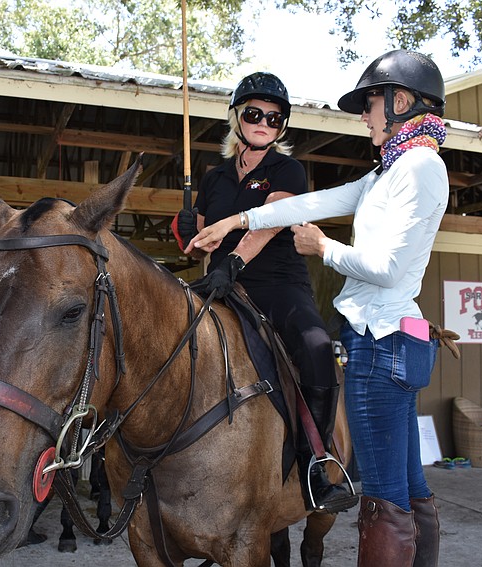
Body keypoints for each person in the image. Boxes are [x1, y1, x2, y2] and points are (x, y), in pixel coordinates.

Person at [186, 50, 448, 567]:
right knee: (410, 489)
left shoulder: (418, 167)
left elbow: (390, 268)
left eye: (370, 104)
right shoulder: (387, 172)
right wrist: (230, 222)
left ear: (399, 102)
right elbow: (305, 205)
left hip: (382, 340)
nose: (365, 115)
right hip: (384, 334)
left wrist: (324, 248)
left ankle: (318, 459)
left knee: (385, 497)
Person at [173, 71, 358, 514]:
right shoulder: (215, 176)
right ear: (236, 117)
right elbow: (203, 238)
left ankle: (317, 463)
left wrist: (232, 265)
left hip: (277, 284)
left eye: (275, 119)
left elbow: (269, 222)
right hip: (221, 285)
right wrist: (187, 231)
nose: (264, 123)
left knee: (315, 347)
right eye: (255, 114)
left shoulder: (286, 169)